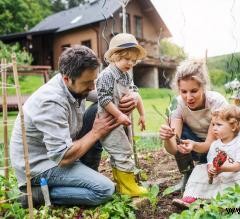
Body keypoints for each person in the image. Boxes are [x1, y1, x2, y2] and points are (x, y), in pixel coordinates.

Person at [10, 46, 120, 207]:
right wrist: (96, 132)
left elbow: (103, 96)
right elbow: (63, 156)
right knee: (104, 189)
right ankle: (36, 194)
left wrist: (125, 96)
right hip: (40, 165)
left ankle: (87, 173)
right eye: (88, 82)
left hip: (61, 152)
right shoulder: (51, 102)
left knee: (101, 107)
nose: (92, 87)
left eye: (94, 80)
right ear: (67, 79)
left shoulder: (74, 85)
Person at [159, 59, 240, 191]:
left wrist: (194, 145)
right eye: (184, 92)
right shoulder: (177, 104)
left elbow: (209, 145)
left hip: (223, 141)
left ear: (203, 87)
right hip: (198, 144)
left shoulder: (216, 102)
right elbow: (174, 149)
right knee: (180, 138)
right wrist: (167, 138)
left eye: (194, 91)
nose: (189, 97)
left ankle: (236, 172)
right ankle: (188, 174)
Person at [172, 105, 240, 208]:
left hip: (234, 175)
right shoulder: (215, 145)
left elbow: (239, 165)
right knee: (199, 169)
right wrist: (211, 170)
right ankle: (191, 197)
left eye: (218, 125)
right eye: (213, 124)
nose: (214, 128)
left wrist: (223, 168)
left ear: (233, 126)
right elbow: (210, 161)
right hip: (218, 175)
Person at [96, 33, 147, 196]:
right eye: (127, 59)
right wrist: (118, 115)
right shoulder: (107, 75)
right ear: (114, 56)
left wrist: (142, 114)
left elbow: (135, 93)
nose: (130, 63)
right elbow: (103, 99)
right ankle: (129, 188)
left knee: (121, 152)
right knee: (122, 151)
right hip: (109, 122)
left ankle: (123, 186)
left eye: (133, 60)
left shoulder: (125, 75)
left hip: (121, 121)